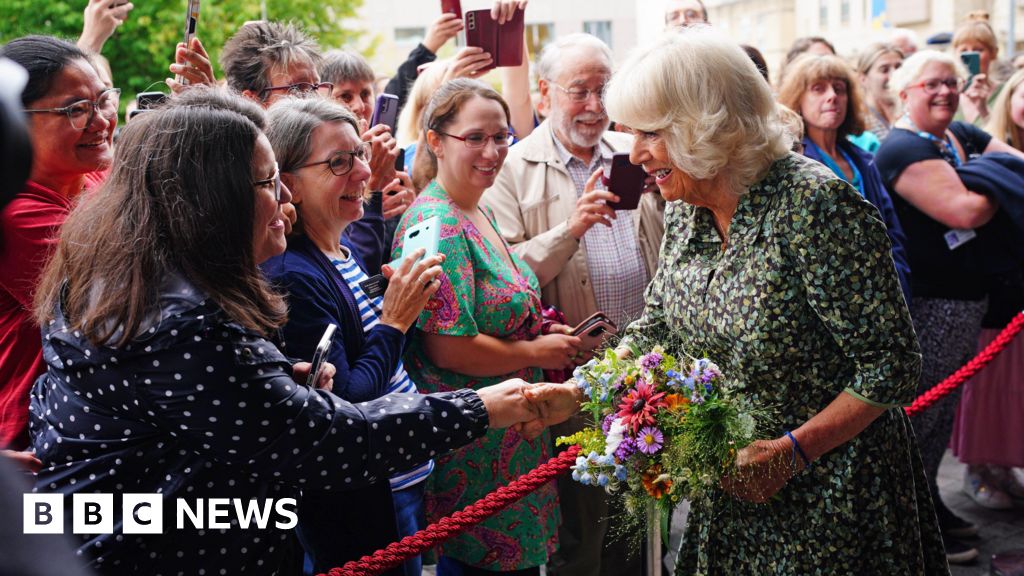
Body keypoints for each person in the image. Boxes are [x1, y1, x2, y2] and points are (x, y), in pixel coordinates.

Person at [28, 90, 553, 575]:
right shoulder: (182, 321)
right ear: (210, 201)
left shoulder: (137, 285)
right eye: (265, 181)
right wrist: (484, 407)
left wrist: (278, 387)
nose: (283, 195)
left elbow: (219, 428)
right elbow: (333, 440)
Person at [605, 28, 944, 574]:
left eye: (651, 133)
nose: (637, 153)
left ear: (706, 123)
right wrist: (581, 389)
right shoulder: (687, 204)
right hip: (735, 494)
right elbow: (661, 325)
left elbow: (893, 364)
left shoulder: (815, 205)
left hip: (834, 500)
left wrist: (794, 450)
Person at [481, 33, 664, 576]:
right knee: (581, 526)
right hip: (570, 380)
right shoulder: (512, 168)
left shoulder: (637, 155)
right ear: (543, 95)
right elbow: (504, 277)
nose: (593, 106)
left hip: (645, 371)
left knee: (644, 516)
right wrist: (570, 229)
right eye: (578, 91)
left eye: (603, 91)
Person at [393, 78, 582, 575]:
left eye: (501, 137)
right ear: (435, 140)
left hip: (513, 440)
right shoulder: (436, 223)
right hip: (476, 449)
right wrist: (538, 353)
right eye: (475, 137)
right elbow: (447, 350)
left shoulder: (475, 208)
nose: (493, 151)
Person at [261, 96, 439, 575]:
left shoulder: (339, 249)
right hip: (365, 498)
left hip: (395, 481)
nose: (364, 173)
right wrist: (396, 320)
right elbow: (345, 403)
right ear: (288, 183)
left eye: (360, 154)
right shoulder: (292, 274)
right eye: (339, 162)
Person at [874, 49, 1024, 564]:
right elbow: (965, 209)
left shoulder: (957, 136)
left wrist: (986, 171)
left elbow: (1014, 165)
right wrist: (992, 176)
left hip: (968, 302)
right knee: (921, 414)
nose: (944, 92)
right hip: (931, 305)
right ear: (907, 91)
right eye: (931, 84)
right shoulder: (898, 147)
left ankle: (929, 504)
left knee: (940, 419)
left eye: (952, 83)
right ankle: (908, 521)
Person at [0, 36, 117, 450]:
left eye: (102, 99)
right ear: (14, 121)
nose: (101, 121)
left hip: (100, 422)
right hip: (37, 443)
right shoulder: (17, 213)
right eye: (75, 110)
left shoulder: (100, 177)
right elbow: (132, 291)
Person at [947, 68, 1024, 509]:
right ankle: (980, 468)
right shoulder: (985, 147)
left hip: (1016, 292)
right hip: (996, 290)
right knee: (990, 382)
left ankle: (1004, 466)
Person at [777, 54, 912, 302]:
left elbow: (892, 228)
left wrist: (897, 277)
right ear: (798, 99)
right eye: (818, 89)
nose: (832, 96)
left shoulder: (862, 159)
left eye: (839, 89)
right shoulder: (793, 161)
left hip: (885, 292)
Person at [952, 12, 1002, 125]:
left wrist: (984, 110)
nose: (970, 55)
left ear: (993, 53)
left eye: (978, 50)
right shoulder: (948, 93)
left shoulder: (1006, 93)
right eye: (963, 50)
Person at [856, 43, 904, 140]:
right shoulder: (858, 124)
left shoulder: (913, 114)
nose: (894, 75)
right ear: (863, 79)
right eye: (884, 70)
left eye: (898, 68)